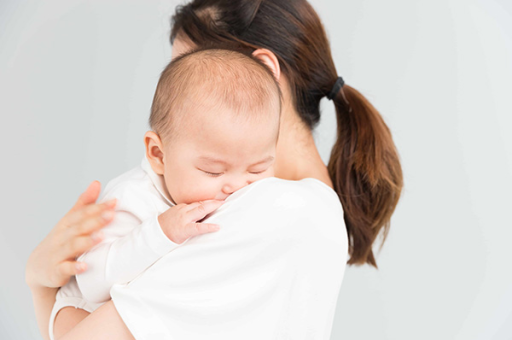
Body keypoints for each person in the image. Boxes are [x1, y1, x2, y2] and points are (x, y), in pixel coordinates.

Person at [26, 0, 403, 339]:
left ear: (262, 72)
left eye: (190, 73)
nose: (176, 98)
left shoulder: (280, 210)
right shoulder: (304, 211)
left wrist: (42, 286)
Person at [47, 46, 283, 339]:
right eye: (213, 171)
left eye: (257, 169)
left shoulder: (260, 200)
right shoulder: (130, 197)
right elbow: (92, 282)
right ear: (158, 154)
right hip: (82, 314)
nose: (236, 186)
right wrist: (161, 232)